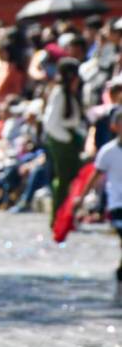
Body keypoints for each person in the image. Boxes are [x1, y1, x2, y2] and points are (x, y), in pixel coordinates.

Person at [74, 106, 122, 305]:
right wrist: (80, 199)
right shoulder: (107, 152)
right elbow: (95, 176)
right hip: (117, 206)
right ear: (114, 126)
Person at [43, 57, 86, 225]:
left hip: (69, 141)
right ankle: (58, 217)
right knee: (63, 180)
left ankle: (67, 215)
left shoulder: (70, 94)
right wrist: (67, 139)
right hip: (62, 142)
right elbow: (51, 123)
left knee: (73, 178)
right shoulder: (59, 94)